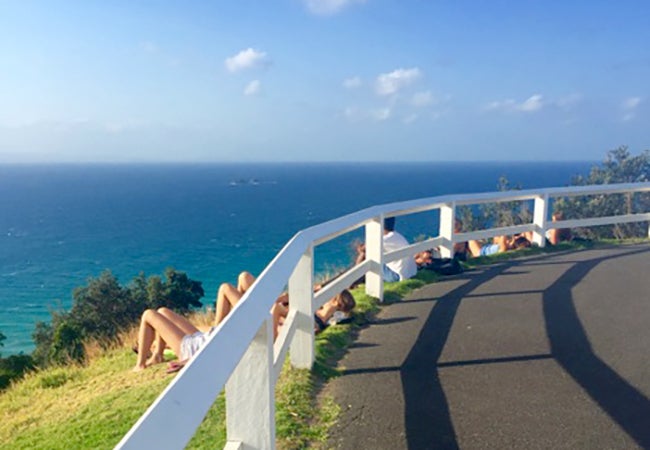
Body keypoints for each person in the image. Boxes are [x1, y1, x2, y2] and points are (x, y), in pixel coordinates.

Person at [271, 289, 356, 340]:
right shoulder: (322, 314)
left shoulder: (322, 318)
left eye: (329, 297)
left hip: (308, 321)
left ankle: (272, 339)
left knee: (276, 307)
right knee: (279, 304)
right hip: (305, 320)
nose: (325, 299)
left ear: (335, 302)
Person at [354, 217, 418, 282]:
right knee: (372, 255)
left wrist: (362, 250)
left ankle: (353, 279)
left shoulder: (384, 239)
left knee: (369, 257)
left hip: (396, 276)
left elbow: (363, 249)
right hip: (409, 273)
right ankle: (356, 279)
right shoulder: (397, 236)